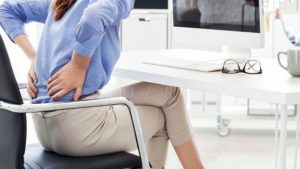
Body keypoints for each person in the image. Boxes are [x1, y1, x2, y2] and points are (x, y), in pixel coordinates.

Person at [0, 0, 205, 168]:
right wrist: (78, 65)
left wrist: (34, 56)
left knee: (168, 92)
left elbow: (5, 9)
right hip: (77, 128)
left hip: (45, 125)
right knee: (161, 119)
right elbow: (95, 15)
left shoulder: (59, 2)